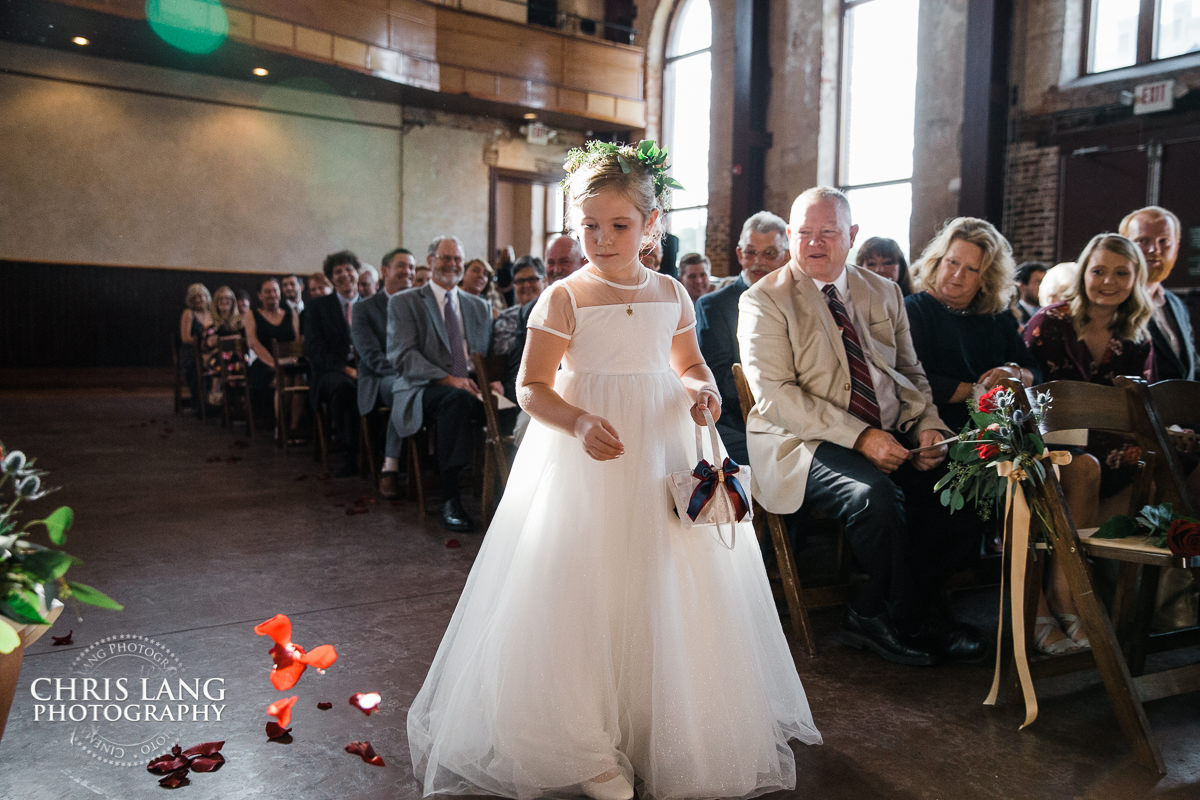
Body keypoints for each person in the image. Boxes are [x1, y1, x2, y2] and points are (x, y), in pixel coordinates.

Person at [408, 141, 820, 800]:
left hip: (660, 446)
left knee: (663, 583)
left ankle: (667, 727)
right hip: (590, 455)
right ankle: (586, 742)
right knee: (587, 583)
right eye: (589, 226)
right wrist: (575, 422)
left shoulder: (672, 294)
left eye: (618, 226)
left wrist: (701, 388)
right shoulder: (564, 299)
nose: (601, 239)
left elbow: (687, 362)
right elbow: (531, 387)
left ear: (650, 225)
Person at [738, 186, 983, 667]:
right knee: (874, 497)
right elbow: (775, 397)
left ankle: (891, 609)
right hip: (801, 443)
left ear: (851, 235)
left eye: (828, 232)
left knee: (961, 486)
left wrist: (929, 427)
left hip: (889, 433)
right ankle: (894, 617)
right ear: (789, 235)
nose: (814, 243)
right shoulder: (763, 300)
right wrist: (862, 437)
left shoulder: (884, 291)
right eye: (804, 232)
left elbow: (911, 375)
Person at [1023, 233, 1155, 651]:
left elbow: (1139, 407)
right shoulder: (1050, 323)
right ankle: (1065, 592)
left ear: (1136, 279)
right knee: (1082, 465)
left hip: (1113, 449)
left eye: (1121, 273)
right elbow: (1025, 396)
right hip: (1052, 445)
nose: (1108, 281)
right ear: (1084, 274)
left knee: (1162, 465)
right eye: (1098, 271)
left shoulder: (1137, 336)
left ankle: (1100, 590)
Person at [387, 235, 492, 532]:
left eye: (457, 259)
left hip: (469, 384)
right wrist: (448, 379)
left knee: (515, 400)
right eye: (445, 258)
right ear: (430, 260)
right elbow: (402, 356)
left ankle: (502, 491)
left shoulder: (478, 306)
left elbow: (485, 352)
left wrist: (490, 381)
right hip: (423, 386)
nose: (452, 264)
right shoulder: (404, 302)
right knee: (454, 402)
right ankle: (451, 496)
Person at [904, 217, 1039, 432]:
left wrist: (1013, 373)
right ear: (938, 261)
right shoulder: (913, 310)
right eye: (952, 262)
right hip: (936, 427)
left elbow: (1034, 372)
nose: (958, 276)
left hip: (1001, 425)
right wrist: (980, 391)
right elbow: (912, 381)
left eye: (972, 269)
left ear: (987, 276)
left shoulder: (997, 316)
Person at [694, 211, 789, 465]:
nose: (758, 261)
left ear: (786, 256)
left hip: (798, 421)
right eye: (750, 252)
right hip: (740, 422)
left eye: (769, 253)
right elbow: (720, 379)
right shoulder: (713, 306)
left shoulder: (798, 304)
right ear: (739, 254)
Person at [351, 248, 414, 499]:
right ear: (385, 270)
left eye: (412, 267)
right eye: (402, 266)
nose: (408, 272)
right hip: (380, 379)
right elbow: (372, 358)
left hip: (414, 375)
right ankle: (390, 466)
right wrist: (408, 373)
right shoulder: (364, 309)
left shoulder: (417, 305)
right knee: (403, 391)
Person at [1119, 205, 1196, 381]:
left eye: (1164, 241)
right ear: (1124, 245)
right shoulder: (1114, 303)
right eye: (1143, 241)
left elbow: (1190, 367)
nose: (1155, 250)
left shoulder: (1176, 304)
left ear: (1176, 247)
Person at [304, 250, 361, 477]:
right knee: (345, 388)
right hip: (331, 371)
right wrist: (346, 369)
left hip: (366, 369)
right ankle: (350, 453)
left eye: (349, 269)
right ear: (331, 278)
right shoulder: (318, 308)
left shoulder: (369, 304)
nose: (345, 275)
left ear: (357, 273)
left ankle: (379, 452)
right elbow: (315, 350)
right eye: (338, 271)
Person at [244, 277, 300, 429]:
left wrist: (292, 359)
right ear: (260, 295)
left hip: (289, 362)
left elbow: (296, 341)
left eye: (275, 290)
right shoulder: (252, 315)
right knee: (284, 378)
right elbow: (253, 343)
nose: (272, 294)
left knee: (301, 379)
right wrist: (274, 364)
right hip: (264, 363)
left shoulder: (291, 314)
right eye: (267, 291)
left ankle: (295, 426)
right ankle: (281, 426)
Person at [491, 255, 545, 358]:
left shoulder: (556, 313)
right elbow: (501, 349)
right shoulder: (506, 317)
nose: (526, 285)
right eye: (520, 281)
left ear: (544, 280)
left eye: (532, 279)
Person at [178, 283, 212, 415]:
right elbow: (185, 338)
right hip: (191, 352)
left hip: (209, 351)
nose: (198, 300)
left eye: (201, 296)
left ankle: (215, 401)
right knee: (195, 366)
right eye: (195, 297)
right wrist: (203, 341)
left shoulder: (212, 314)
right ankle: (200, 404)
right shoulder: (189, 313)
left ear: (207, 297)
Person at [1014, 261, 1047, 326]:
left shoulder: (1050, 313)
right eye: (1038, 282)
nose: (1044, 287)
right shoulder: (1013, 315)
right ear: (1022, 286)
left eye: (1046, 282)